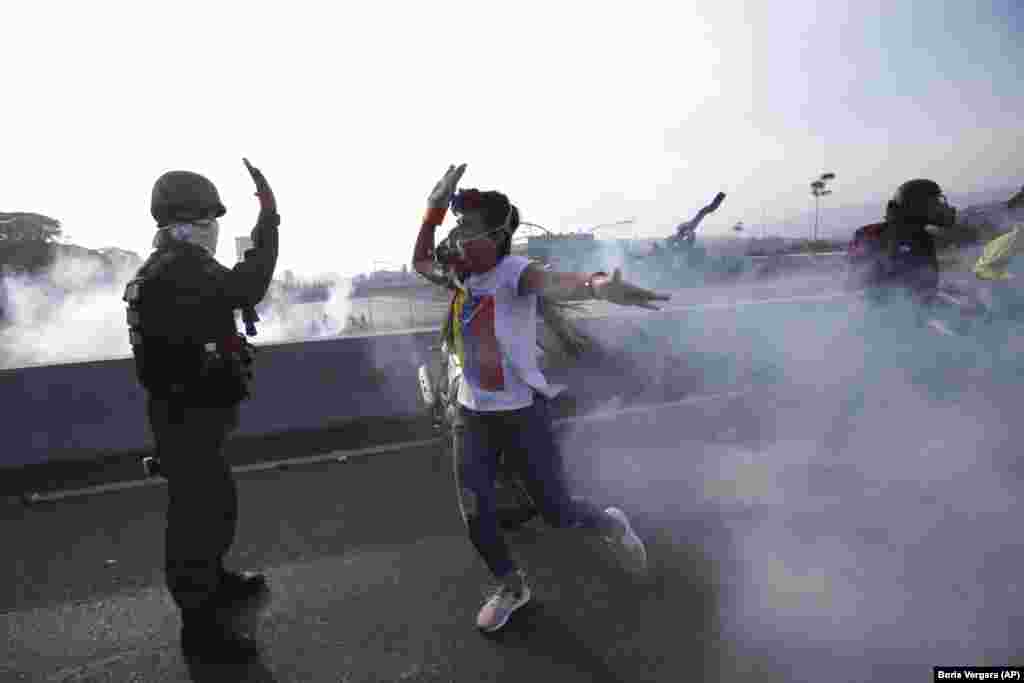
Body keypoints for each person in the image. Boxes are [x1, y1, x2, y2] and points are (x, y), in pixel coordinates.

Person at [412, 163, 669, 633]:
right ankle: (512, 587)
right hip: (472, 416)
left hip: (521, 416)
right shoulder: (461, 276)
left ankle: (611, 524)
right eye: (456, 227)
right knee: (474, 511)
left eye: (467, 228)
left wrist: (597, 286)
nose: (458, 237)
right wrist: (431, 211)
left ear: (496, 235)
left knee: (558, 511)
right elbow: (422, 263)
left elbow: (557, 282)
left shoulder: (514, 273)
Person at [123, 159, 279, 659]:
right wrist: (269, 222)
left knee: (211, 510)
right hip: (187, 418)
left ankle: (215, 584)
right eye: (211, 221)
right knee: (199, 520)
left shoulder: (168, 265)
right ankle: (203, 630)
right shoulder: (182, 266)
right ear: (189, 223)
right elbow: (247, 286)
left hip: (186, 416)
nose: (215, 232)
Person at [845, 178, 959, 330]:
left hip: (868, 316)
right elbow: (915, 300)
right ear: (917, 208)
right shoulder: (910, 240)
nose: (941, 206)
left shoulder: (904, 235)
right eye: (935, 202)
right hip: (885, 322)